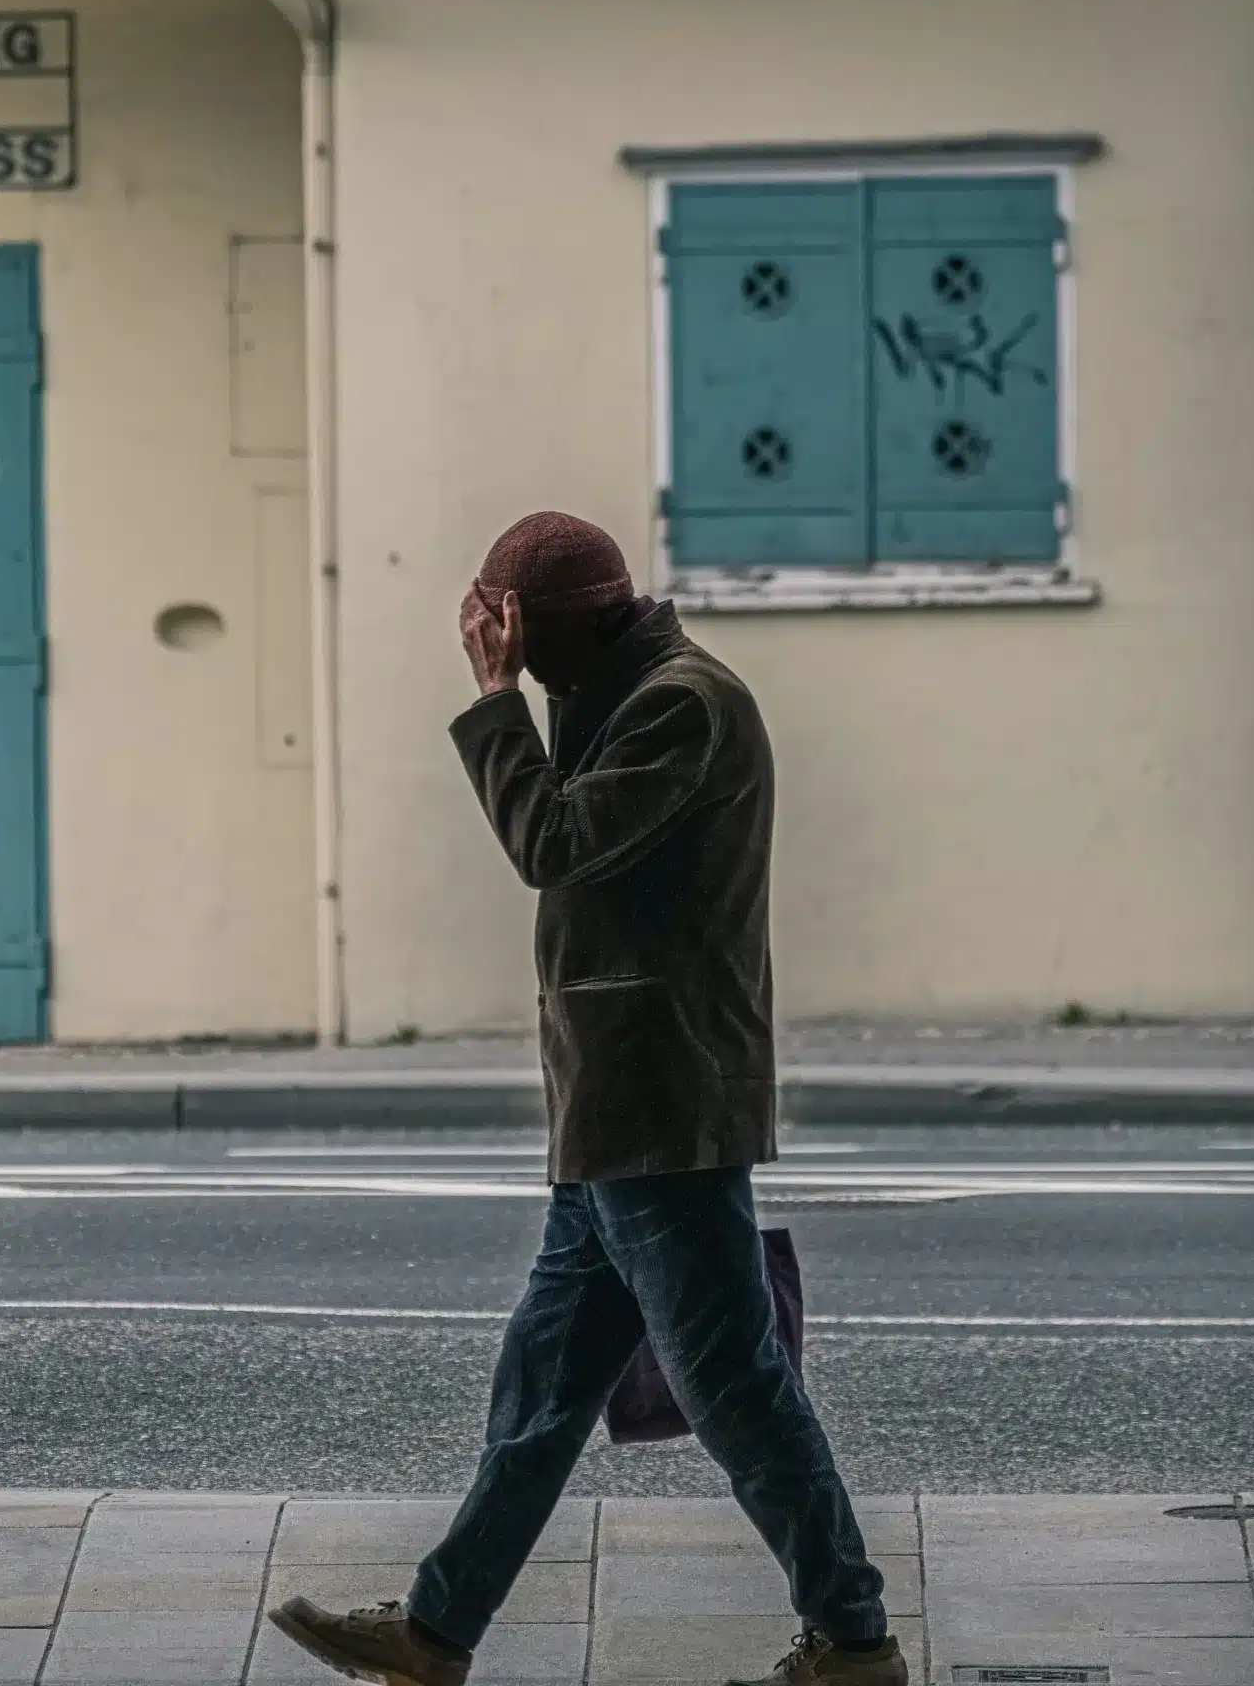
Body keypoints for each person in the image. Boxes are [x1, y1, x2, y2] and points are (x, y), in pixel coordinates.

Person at [264, 512, 902, 1686]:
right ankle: (435, 1632)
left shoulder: (681, 707)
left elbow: (551, 842)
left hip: (660, 1109)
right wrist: (532, 687)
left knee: (738, 1391)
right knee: (543, 1390)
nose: (496, 645)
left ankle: (854, 1642)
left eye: (512, 629)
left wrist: (495, 696)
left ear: (560, 630)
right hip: (614, 1111)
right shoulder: (620, 691)